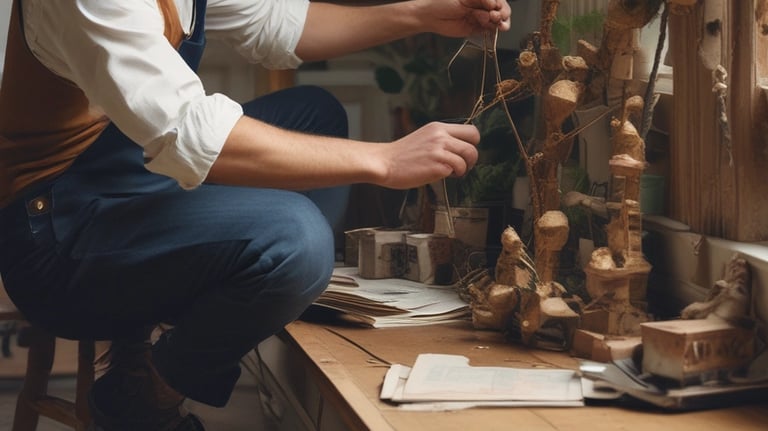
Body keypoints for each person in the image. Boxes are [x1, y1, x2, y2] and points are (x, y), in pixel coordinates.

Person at [0, 0, 511, 429]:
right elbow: (190, 132)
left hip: (133, 179)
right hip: (59, 234)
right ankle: (144, 396)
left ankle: (239, 299)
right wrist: (385, 159)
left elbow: (274, 21)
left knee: (317, 115)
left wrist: (420, 13)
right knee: (295, 235)